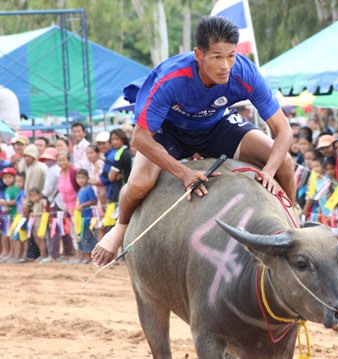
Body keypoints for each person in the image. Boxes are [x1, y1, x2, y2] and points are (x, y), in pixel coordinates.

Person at [92, 16, 295, 266]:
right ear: (199, 55)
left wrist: (269, 171)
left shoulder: (245, 72)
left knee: (284, 162)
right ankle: (121, 227)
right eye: (217, 57)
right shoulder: (170, 79)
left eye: (231, 56)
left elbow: (283, 131)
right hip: (170, 130)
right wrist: (184, 172)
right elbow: (140, 139)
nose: (225, 66)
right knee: (139, 183)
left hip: (216, 125)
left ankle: (294, 225)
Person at [75, 169, 98, 264]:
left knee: (88, 237)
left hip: (88, 218)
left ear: (87, 179)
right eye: (78, 178)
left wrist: (83, 205)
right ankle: (83, 256)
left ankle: (90, 257)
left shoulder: (89, 189)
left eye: (83, 178)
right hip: (81, 217)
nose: (80, 180)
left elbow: (94, 201)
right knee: (82, 237)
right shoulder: (80, 190)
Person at [0, 168, 17, 261]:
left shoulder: (15, 188)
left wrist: (6, 203)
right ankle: (5, 252)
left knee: (12, 235)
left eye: (9, 177)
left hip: (14, 215)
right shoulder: (6, 190)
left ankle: (12, 253)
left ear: (14, 178)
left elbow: (16, 200)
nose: (7, 179)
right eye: (4, 178)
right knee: (5, 234)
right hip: (7, 216)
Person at [27, 187, 48, 261]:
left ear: (40, 195)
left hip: (41, 223)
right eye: (32, 196)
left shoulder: (42, 201)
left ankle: (44, 255)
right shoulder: (34, 204)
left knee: (41, 239)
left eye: (35, 195)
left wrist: (36, 214)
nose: (34, 198)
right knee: (36, 239)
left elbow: (45, 213)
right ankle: (41, 254)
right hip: (35, 224)